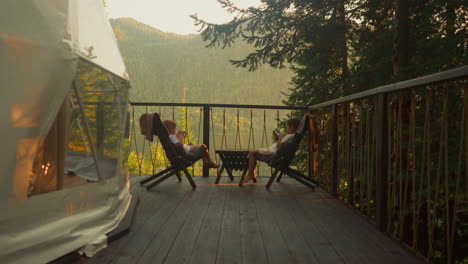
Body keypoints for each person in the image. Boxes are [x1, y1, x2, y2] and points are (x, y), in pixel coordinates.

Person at [243, 117, 301, 183]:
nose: (286, 129)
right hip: (274, 152)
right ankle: (252, 174)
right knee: (253, 154)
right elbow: (282, 146)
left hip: (272, 152)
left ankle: (250, 175)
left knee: (251, 153)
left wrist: (281, 137)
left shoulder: (289, 136)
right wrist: (280, 138)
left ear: (292, 128)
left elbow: (278, 146)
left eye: (287, 127)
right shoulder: (293, 136)